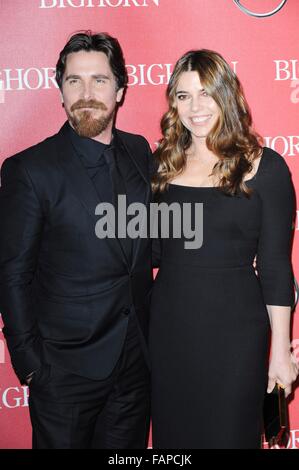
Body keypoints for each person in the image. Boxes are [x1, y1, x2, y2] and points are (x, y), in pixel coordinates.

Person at [0, 31, 153, 449]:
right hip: (63, 373)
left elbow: (150, 240)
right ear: (60, 92)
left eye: (100, 80)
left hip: (135, 366)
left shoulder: (140, 153)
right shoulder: (29, 170)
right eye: (74, 81)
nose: (86, 93)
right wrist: (31, 365)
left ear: (120, 90)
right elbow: (11, 275)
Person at [149, 49, 299, 449]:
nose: (195, 107)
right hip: (169, 328)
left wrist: (280, 351)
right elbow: (150, 250)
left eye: (206, 94)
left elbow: (274, 267)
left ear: (227, 96)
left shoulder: (264, 167)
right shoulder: (161, 165)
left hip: (236, 332)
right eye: (183, 96)